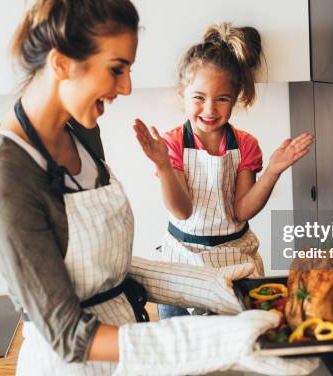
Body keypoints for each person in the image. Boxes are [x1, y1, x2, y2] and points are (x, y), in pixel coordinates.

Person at [0, 0, 319, 375]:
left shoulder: (81, 133)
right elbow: (69, 337)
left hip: (130, 352)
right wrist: (223, 337)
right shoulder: (5, 177)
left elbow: (104, 269)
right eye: (117, 69)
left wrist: (219, 289)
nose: (126, 88)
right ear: (62, 63)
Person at [133, 23, 314, 319]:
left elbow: (241, 211)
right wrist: (163, 166)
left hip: (233, 262)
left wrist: (272, 172)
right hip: (181, 264)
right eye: (198, 97)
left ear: (236, 97)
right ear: (182, 94)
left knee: (236, 342)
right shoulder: (173, 144)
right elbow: (182, 210)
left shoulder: (245, 145)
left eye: (222, 99)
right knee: (182, 352)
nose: (209, 109)